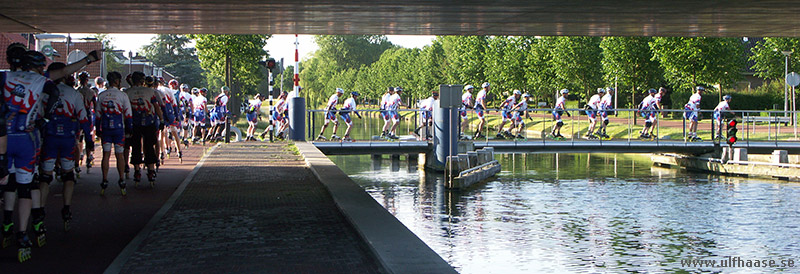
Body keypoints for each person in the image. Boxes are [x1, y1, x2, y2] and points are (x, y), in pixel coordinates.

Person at [3, 50, 60, 260]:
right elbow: (55, 92)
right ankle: (25, 230)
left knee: (7, 181)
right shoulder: (40, 79)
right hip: (28, 135)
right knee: (28, 184)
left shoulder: (5, 77)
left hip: (5, 135)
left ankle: (7, 221)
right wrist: (45, 120)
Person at [39, 62, 92, 232]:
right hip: (68, 137)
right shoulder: (73, 93)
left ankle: (39, 210)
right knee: (68, 175)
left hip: (50, 137)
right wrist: (89, 139)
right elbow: (83, 117)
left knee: (45, 176)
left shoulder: (44, 92)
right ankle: (67, 208)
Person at [127, 72, 164, 187]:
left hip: (135, 123)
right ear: (143, 81)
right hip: (149, 122)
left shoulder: (127, 93)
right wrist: (161, 119)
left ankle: (137, 170)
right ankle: (151, 170)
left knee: (136, 146)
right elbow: (157, 107)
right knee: (149, 146)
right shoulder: (150, 92)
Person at [75, 71, 97, 174]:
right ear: (87, 80)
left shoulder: (75, 91)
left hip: (77, 115)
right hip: (87, 115)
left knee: (78, 138)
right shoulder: (91, 92)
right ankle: (89, 157)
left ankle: (77, 158)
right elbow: (95, 105)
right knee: (88, 136)